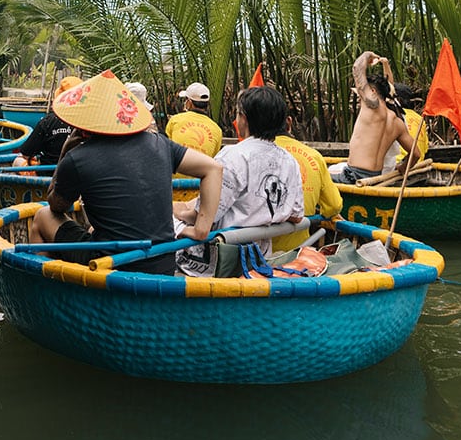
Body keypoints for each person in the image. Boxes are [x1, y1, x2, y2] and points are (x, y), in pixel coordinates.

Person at [29, 71, 223, 275]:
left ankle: (50, 285)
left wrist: (66, 151)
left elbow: (57, 205)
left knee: (43, 216)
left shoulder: (77, 158)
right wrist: (202, 229)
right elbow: (213, 168)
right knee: (94, 229)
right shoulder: (160, 144)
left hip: (112, 263)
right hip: (163, 262)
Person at [175, 86, 303, 276]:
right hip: (260, 256)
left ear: (244, 118)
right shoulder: (290, 161)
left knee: (166, 217)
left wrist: (179, 211)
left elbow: (203, 217)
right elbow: (296, 214)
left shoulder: (233, 155)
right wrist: (259, 214)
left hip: (222, 258)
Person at [333, 50, 421, 183]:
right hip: (375, 176)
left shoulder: (372, 106)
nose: (360, 97)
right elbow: (416, 154)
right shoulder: (397, 122)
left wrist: (367, 54)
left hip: (354, 176)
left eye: (362, 93)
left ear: (372, 92)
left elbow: (357, 68)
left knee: (315, 176)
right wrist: (403, 167)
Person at [274, 117, 344, 253]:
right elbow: (334, 205)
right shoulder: (314, 156)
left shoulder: (250, 155)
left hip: (253, 255)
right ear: (289, 122)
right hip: (297, 254)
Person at [12, 76, 80, 166]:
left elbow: (26, 154)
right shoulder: (89, 123)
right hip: (82, 172)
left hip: (48, 172)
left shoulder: (47, 122)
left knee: (18, 160)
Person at [166, 81, 223, 156]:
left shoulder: (175, 120)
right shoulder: (217, 130)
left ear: (189, 102)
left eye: (186, 99)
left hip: (177, 167)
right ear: (208, 104)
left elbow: (167, 146)